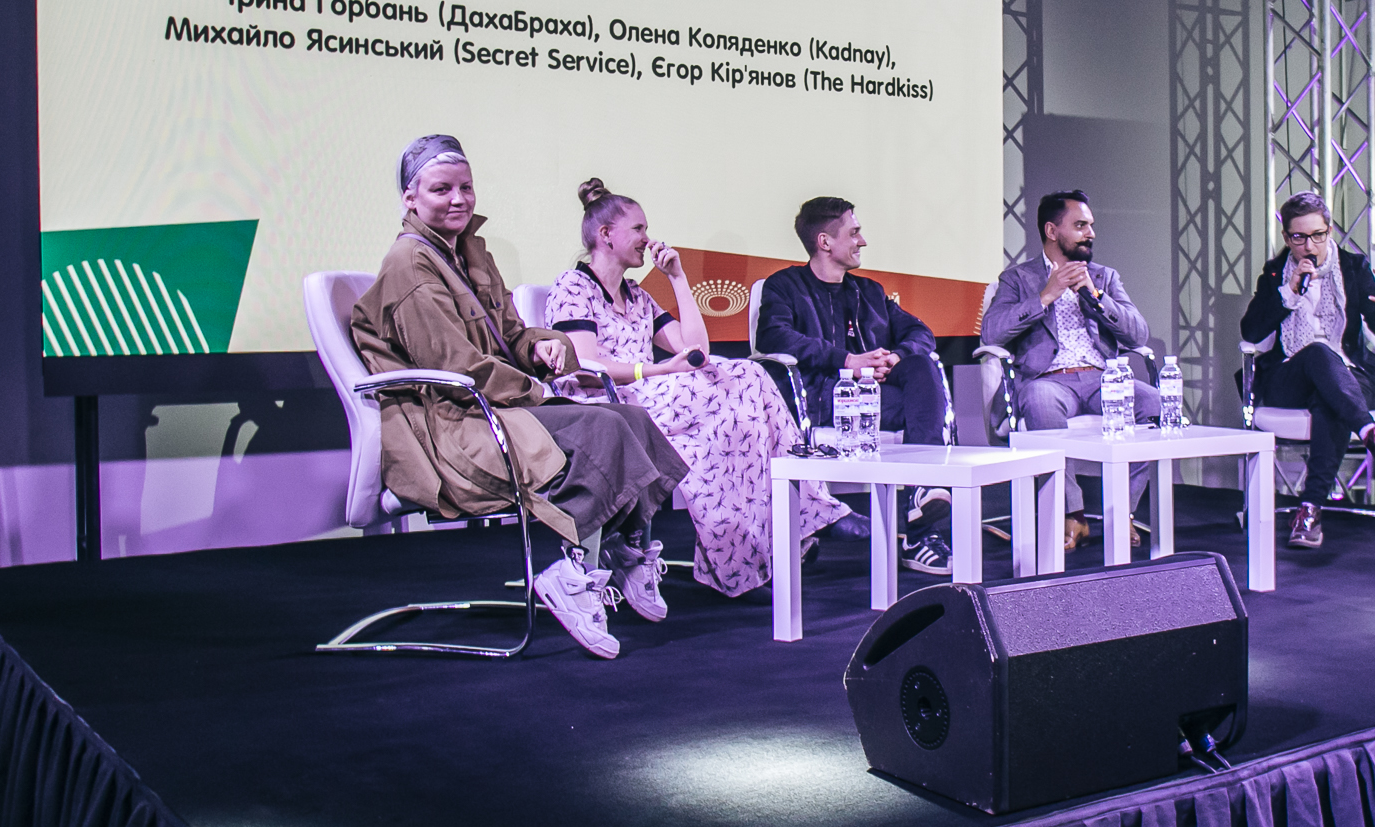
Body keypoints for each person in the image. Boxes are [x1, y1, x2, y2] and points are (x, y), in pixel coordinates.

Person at [350, 136, 689, 660]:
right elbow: (454, 366)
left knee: (633, 418)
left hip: (498, 402)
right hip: (457, 421)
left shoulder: (471, 253)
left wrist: (541, 348)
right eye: (442, 189)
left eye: (466, 187)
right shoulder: (409, 264)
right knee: (601, 426)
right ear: (410, 199)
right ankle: (569, 574)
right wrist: (533, 387)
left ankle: (622, 547)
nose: (459, 199)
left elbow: (510, 333)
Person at [546, 179, 857, 597]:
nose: (647, 239)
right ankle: (796, 523)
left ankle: (763, 545)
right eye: (638, 229)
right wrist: (657, 370)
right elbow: (585, 367)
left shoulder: (636, 295)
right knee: (730, 402)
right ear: (606, 235)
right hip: (603, 403)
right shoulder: (574, 286)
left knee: (745, 384)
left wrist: (677, 278)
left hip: (651, 395)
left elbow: (697, 351)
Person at [755, 196, 956, 573]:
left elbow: (920, 332)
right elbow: (774, 337)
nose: (862, 241)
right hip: (819, 400)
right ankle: (921, 525)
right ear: (825, 242)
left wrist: (894, 357)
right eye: (854, 233)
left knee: (921, 365)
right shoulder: (784, 286)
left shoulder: (870, 292)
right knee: (921, 402)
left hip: (873, 400)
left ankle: (922, 496)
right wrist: (848, 362)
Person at [981, 190, 1159, 550]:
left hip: (1102, 378)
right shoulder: (1018, 278)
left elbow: (1138, 334)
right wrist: (1046, 295)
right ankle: (1072, 513)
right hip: (1048, 380)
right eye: (1080, 226)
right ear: (1052, 230)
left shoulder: (1104, 277)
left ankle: (1121, 512)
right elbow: (992, 332)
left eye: (1090, 225)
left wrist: (1097, 297)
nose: (1090, 233)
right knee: (1040, 403)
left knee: (1153, 403)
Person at [1239, 190, 1375, 551]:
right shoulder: (1275, 274)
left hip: (1350, 376)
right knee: (1318, 353)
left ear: (1329, 231)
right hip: (1291, 375)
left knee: (1329, 397)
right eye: (1299, 237)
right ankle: (1373, 435)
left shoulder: (1355, 268)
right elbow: (1251, 332)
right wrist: (1288, 292)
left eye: (1317, 235)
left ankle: (1309, 509)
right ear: (1286, 237)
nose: (1309, 246)